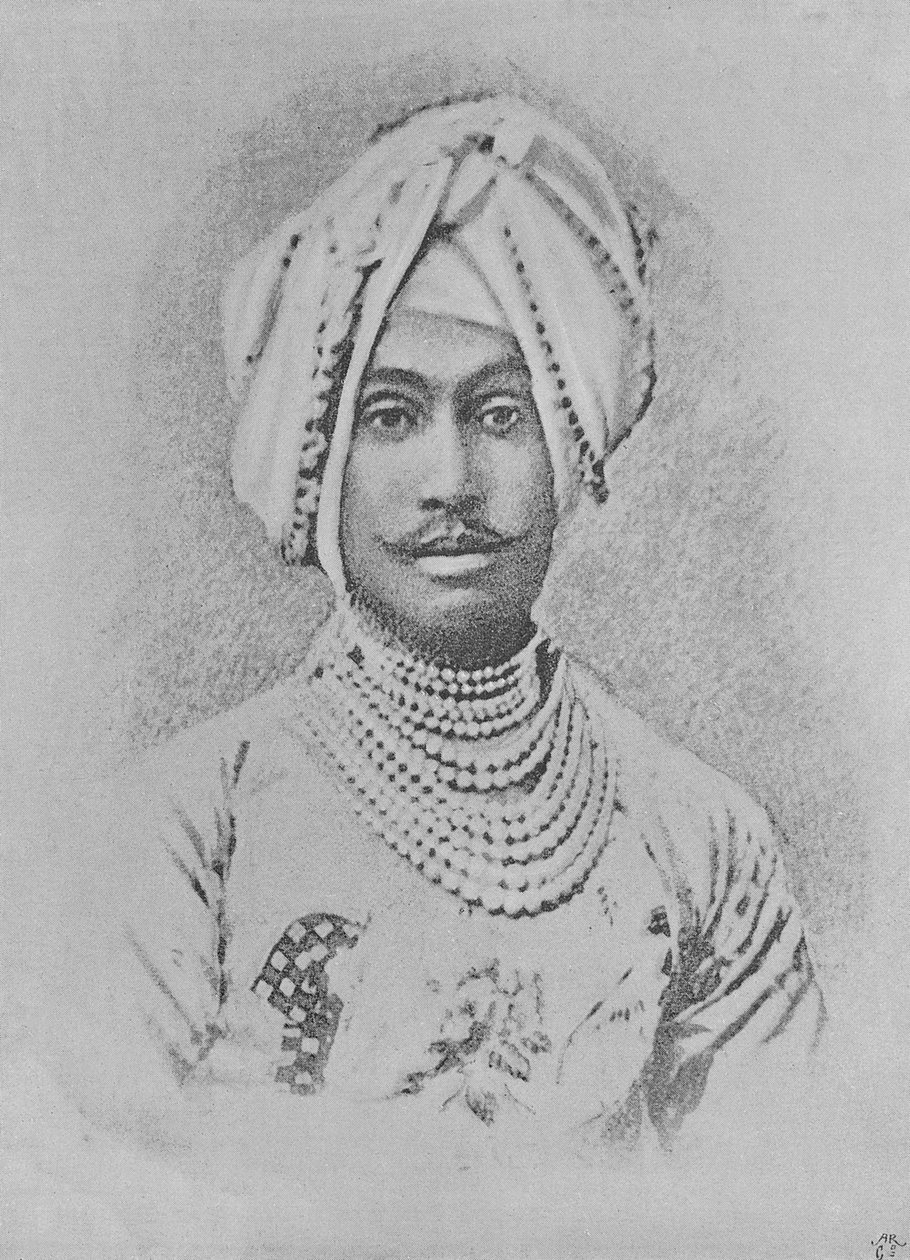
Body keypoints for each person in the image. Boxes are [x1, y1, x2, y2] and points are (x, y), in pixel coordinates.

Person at [67, 96, 824, 1158]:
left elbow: (790, 1195)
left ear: (567, 451)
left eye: (500, 415)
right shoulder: (185, 825)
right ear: (320, 462)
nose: (451, 481)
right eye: (390, 415)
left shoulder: (701, 836)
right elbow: (85, 1197)